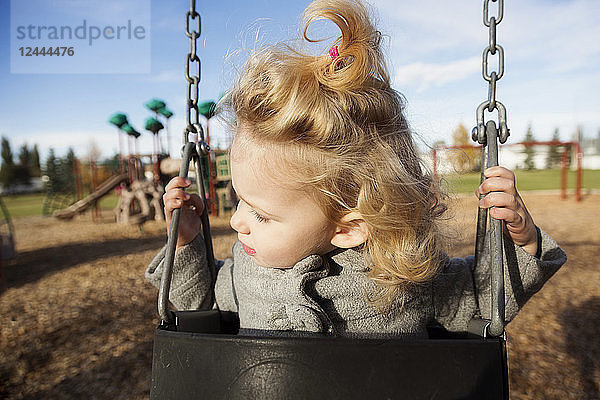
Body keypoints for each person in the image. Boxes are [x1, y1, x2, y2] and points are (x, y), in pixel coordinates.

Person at [146, 0, 566, 337]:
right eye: (242, 201)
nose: (237, 222)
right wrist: (185, 245)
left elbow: (481, 303)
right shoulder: (246, 272)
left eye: (261, 213)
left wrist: (521, 241)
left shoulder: (404, 277)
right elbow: (198, 308)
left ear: (348, 227)